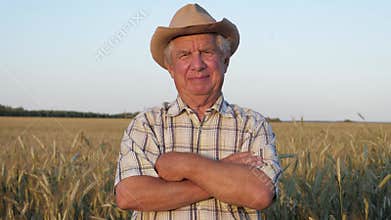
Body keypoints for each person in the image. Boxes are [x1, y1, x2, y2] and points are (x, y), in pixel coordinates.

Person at [114, 3, 281, 219]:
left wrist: (184, 165)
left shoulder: (253, 125)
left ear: (225, 61)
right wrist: (223, 173)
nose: (197, 64)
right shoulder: (147, 124)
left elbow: (259, 194)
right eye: (184, 55)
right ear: (171, 68)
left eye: (207, 52)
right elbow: (129, 196)